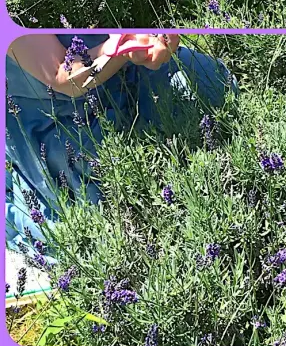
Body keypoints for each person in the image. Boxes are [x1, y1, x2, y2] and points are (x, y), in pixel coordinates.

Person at [5, 34, 235, 252]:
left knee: (208, 83)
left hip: (129, 73)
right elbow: (63, 75)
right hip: (64, 111)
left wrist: (155, 39)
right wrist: (123, 48)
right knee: (106, 214)